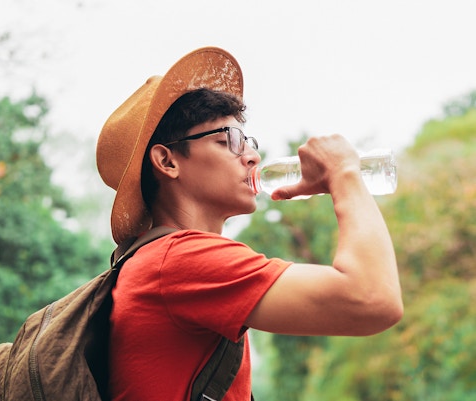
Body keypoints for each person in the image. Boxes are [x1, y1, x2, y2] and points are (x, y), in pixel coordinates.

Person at [96, 47, 403, 401]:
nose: (253, 156)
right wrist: (345, 174)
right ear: (167, 162)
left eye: (248, 141)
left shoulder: (162, 263)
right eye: (229, 140)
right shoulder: (180, 260)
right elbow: (373, 300)